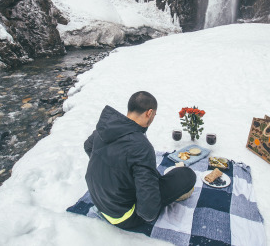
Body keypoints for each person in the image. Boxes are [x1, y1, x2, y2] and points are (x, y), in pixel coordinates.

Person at [84, 91, 196, 229]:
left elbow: (88, 146)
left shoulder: (105, 129)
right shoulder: (140, 146)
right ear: (149, 113)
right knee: (186, 174)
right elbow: (148, 210)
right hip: (124, 217)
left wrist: (111, 171)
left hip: (99, 201)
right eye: (154, 115)